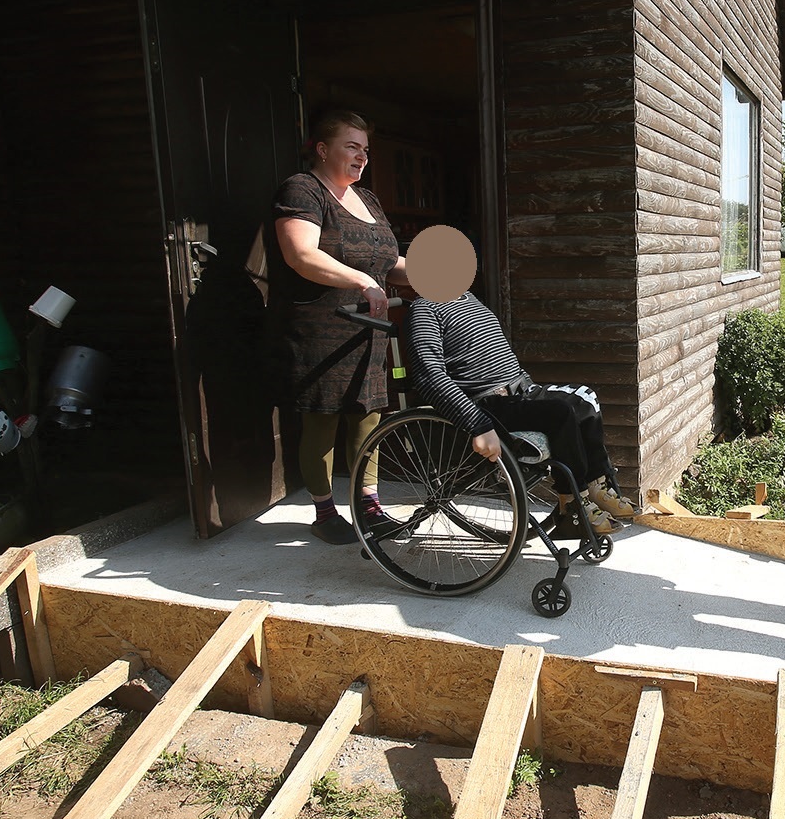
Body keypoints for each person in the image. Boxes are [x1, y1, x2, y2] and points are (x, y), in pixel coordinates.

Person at [267, 110, 408, 544]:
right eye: (352, 146)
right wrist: (363, 280)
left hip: (369, 329)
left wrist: (435, 272)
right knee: (323, 422)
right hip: (321, 328)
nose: (362, 157)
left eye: (365, 150)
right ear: (323, 149)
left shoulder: (368, 199)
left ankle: (369, 509)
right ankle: (324, 512)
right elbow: (301, 254)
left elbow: (389, 264)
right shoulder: (303, 189)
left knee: (369, 420)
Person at [407, 290, 637, 537]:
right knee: (559, 412)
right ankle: (572, 504)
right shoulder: (425, 311)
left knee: (585, 399)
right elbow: (429, 378)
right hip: (486, 404)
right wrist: (478, 425)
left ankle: (596, 485)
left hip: (519, 389)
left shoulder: (467, 297)